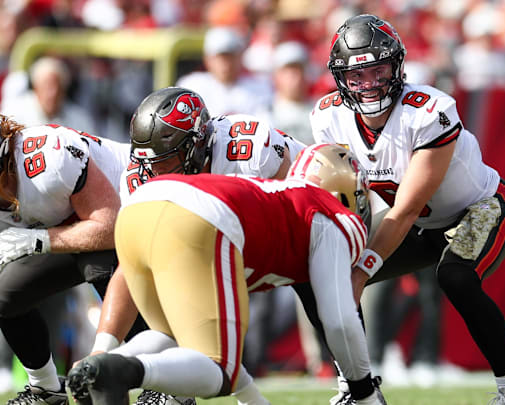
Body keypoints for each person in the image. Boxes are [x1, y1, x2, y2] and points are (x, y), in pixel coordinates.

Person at [313, 14, 505, 404]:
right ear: (340, 79)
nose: (368, 85)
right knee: (330, 275)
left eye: (378, 70)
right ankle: (359, 390)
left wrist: (362, 273)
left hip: (479, 206)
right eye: (357, 75)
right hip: (418, 222)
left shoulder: (428, 110)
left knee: (455, 277)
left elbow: (407, 209)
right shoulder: (328, 117)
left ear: (396, 66)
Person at [67, 144, 386, 405]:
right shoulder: (331, 215)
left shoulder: (277, 195)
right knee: (220, 368)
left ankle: (101, 366)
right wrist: (365, 392)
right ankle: (124, 370)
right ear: (349, 193)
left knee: (173, 338)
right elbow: (340, 320)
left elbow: (125, 273)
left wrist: (102, 349)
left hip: (139, 207)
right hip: (202, 216)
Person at [82, 86, 305, 405]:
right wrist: (101, 350)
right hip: (210, 247)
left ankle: (354, 384)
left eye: (167, 159)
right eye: (151, 162)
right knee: (184, 321)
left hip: (286, 230)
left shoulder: (247, 148)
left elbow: (301, 210)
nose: (156, 171)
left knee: (221, 362)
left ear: (198, 142)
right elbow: (129, 269)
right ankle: (155, 381)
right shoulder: (138, 176)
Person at [0, 114, 147, 405]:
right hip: (68, 229)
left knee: (99, 265)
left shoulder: (48, 159)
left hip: (128, 214)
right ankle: (46, 390)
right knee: (4, 294)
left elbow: (109, 226)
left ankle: (164, 379)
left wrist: (36, 241)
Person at [176, 27, 272, 119]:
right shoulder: (192, 86)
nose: (226, 64)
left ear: (239, 58)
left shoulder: (259, 87)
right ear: (208, 59)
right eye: (220, 58)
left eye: (230, 57)